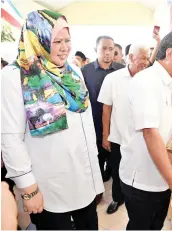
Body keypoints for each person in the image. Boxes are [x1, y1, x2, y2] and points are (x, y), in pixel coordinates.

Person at [1, 10, 104, 230]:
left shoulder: (74, 71)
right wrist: (28, 188)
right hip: (49, 184)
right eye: (56, 41)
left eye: (67, 40)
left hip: (84, 176)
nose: (64, 47)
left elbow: (85, 126)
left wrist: (95, 174)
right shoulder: (15, 75)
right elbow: (10, 138)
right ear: (37, 39)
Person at [119, 29, 172, 230]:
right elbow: (150, 132)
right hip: (143, 179)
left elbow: (163, 119)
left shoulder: (169, 84)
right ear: (170, 53)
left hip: (162, 176)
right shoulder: (146, 83)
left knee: (155, 225)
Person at [98, 44, 150, 215]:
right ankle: (117, 198)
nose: (146, 61)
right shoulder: (113, 79)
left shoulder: (149, 78)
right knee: (118, 168)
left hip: (144, 136)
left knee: (141, 169)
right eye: (142, 57)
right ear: (130, 58)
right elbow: (106, 109)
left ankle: (137, 198)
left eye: (147, 57)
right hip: (119, 136)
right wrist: (106, 135)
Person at [82, 36, 125, 187]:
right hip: (94, 123)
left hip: (117, 123)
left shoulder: (121, 70)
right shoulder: (85, 71)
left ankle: (116, 190)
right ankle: (98, 188)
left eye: (111, 49)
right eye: (103, 48)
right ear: (96, 50)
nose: (108, 52)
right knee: (96, 158)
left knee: (116, 158)